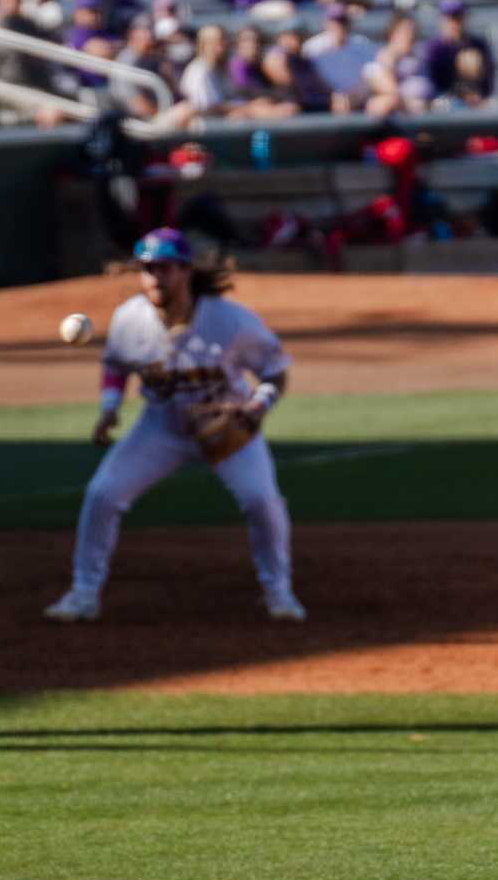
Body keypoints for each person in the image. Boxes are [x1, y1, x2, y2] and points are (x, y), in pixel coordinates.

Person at [44, 228, 304, 625]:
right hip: (160, 428)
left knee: (261, 501)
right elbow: (116, 366)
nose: (154, 278)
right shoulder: (130, 319)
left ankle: (279, 594)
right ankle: (83, 595)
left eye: (163, 268)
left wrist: (256, 407)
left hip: (229, 427)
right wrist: (110, 408)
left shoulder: (230, 321)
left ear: (185, 271)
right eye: (147, 269)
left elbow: (276, 371)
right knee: (102, 494)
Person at [302, 3, 376, 112]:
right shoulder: (312, 47)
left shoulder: (362, 44)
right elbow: (309, 80)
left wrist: (353, 97)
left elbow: (372, 74)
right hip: (326, 100)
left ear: (349, 24)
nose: (339, 26)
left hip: (361, 98)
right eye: (335, 21)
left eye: (343, 21)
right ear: (326, 24)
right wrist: (333, 96)